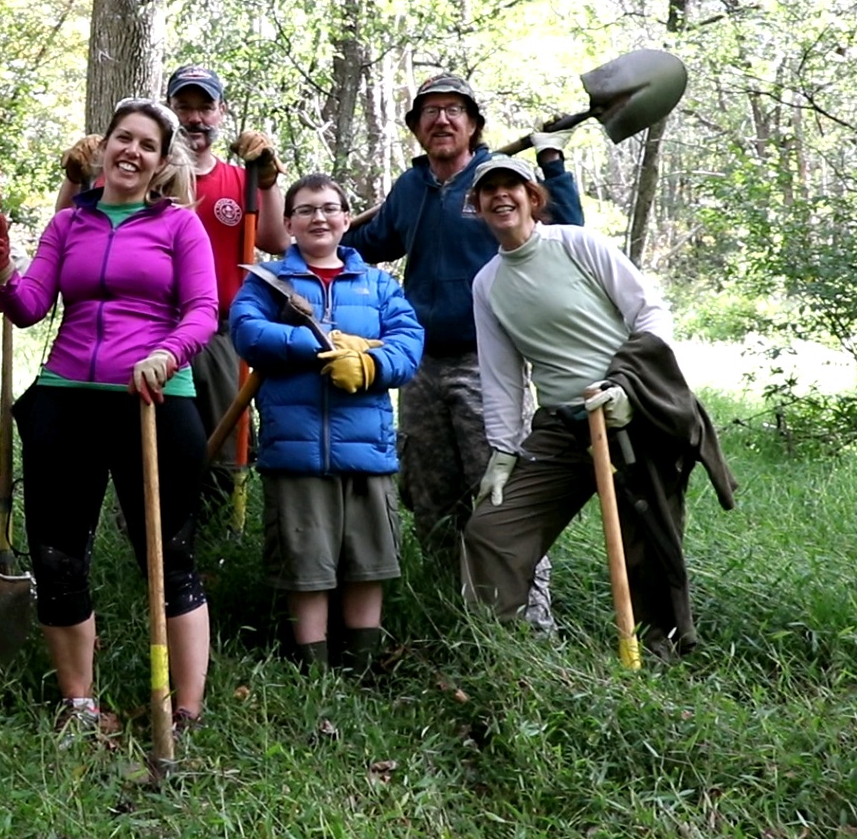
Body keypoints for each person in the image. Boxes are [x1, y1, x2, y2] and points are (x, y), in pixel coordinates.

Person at [0, 97, 217, 741]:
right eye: (122, 139)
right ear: (104, 147)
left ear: (164, 163)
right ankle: (79, 705)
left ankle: (183, 711)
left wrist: (167, 353)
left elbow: (203, 312)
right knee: (56, 557)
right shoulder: (68, 225)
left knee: (170, 557)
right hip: (67, 398)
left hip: (156, 402)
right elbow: (24, 306)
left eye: (147, 145)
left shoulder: (179, 227)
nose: (131, 152)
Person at [460, 156, 736, 659]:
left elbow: (648, 311)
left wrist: (629, 388)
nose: (502, 196)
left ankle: (662, 655)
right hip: (564, 424)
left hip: (636, 415)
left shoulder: (575, 244)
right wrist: (502, 451)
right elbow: (501, 374)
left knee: (649, 545)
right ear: (476, 206)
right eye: (489, 191)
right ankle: (503, 652)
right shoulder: (487, 284)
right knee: (491, 530)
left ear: (532, 197)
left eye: (512, 187)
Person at [340, 74, 583, 628]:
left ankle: (529, 623)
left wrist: (553, 165)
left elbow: (564, 227)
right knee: (430, 500)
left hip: (488, 363)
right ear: (417, 127)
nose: (441, 120)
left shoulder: (496, 179)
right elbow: (368, 244)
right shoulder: (410, 188)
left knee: (504, 496)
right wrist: (318, 230)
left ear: (473, 124)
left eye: (453, 110)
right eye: (430, 112)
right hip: (421, 365)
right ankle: (456, 613)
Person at [56, 65, 287, 508]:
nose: (195, 119)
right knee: (145, 443)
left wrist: (269, 181)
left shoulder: (240, 182)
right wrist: (75, 175)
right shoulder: (130, 178)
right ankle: (144, 536)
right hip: (142, 333)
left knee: (222, 442)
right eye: (184, 107)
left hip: (217, 331)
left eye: (206, 108)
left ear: (221, 113)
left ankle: (218, 537)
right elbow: (67, 229)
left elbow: (275, 240)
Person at [229, 174, 424, 671]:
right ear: (289, 223)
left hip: (367, 451)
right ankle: (312, 673)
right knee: (306, 566)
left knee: (367, 563)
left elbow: (408, 345)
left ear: (345, 220)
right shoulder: (268, 281)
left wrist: (371, 365)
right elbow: (248, 332)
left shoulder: (380, 285)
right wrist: (321, 346)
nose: (320, 217)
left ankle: (361, 670)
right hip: (295, 451)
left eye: (331, 208)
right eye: (307, 209)